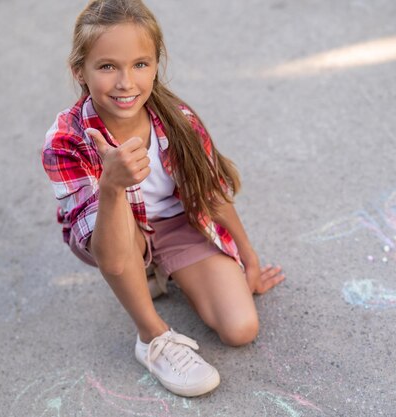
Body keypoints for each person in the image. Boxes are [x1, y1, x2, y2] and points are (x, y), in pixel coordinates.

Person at [41, 0, 284, 398]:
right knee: (125, 250)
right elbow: (104, 251)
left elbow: (210, 193)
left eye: (140, 64)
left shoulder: (178, 119)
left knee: (241, 329)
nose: (125, 83)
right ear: (79, 71)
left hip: (177, 225)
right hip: (116, 233)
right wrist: (112, 185)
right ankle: (151, 336)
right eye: (107, 66)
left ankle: (159, 271)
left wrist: (248, 258)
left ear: (156, 63)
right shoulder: (66, 141)